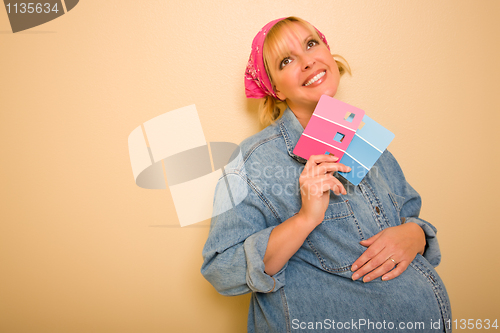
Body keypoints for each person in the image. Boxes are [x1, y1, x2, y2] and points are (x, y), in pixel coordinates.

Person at [201, 17, 451, 333]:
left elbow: (408, 214)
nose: (308, 61)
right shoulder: (251, 161)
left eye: (311, 44)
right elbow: (222, 271)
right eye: (286, 60)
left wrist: (416, 234)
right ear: (274, 87)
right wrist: (305, 218)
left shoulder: (361, 135)